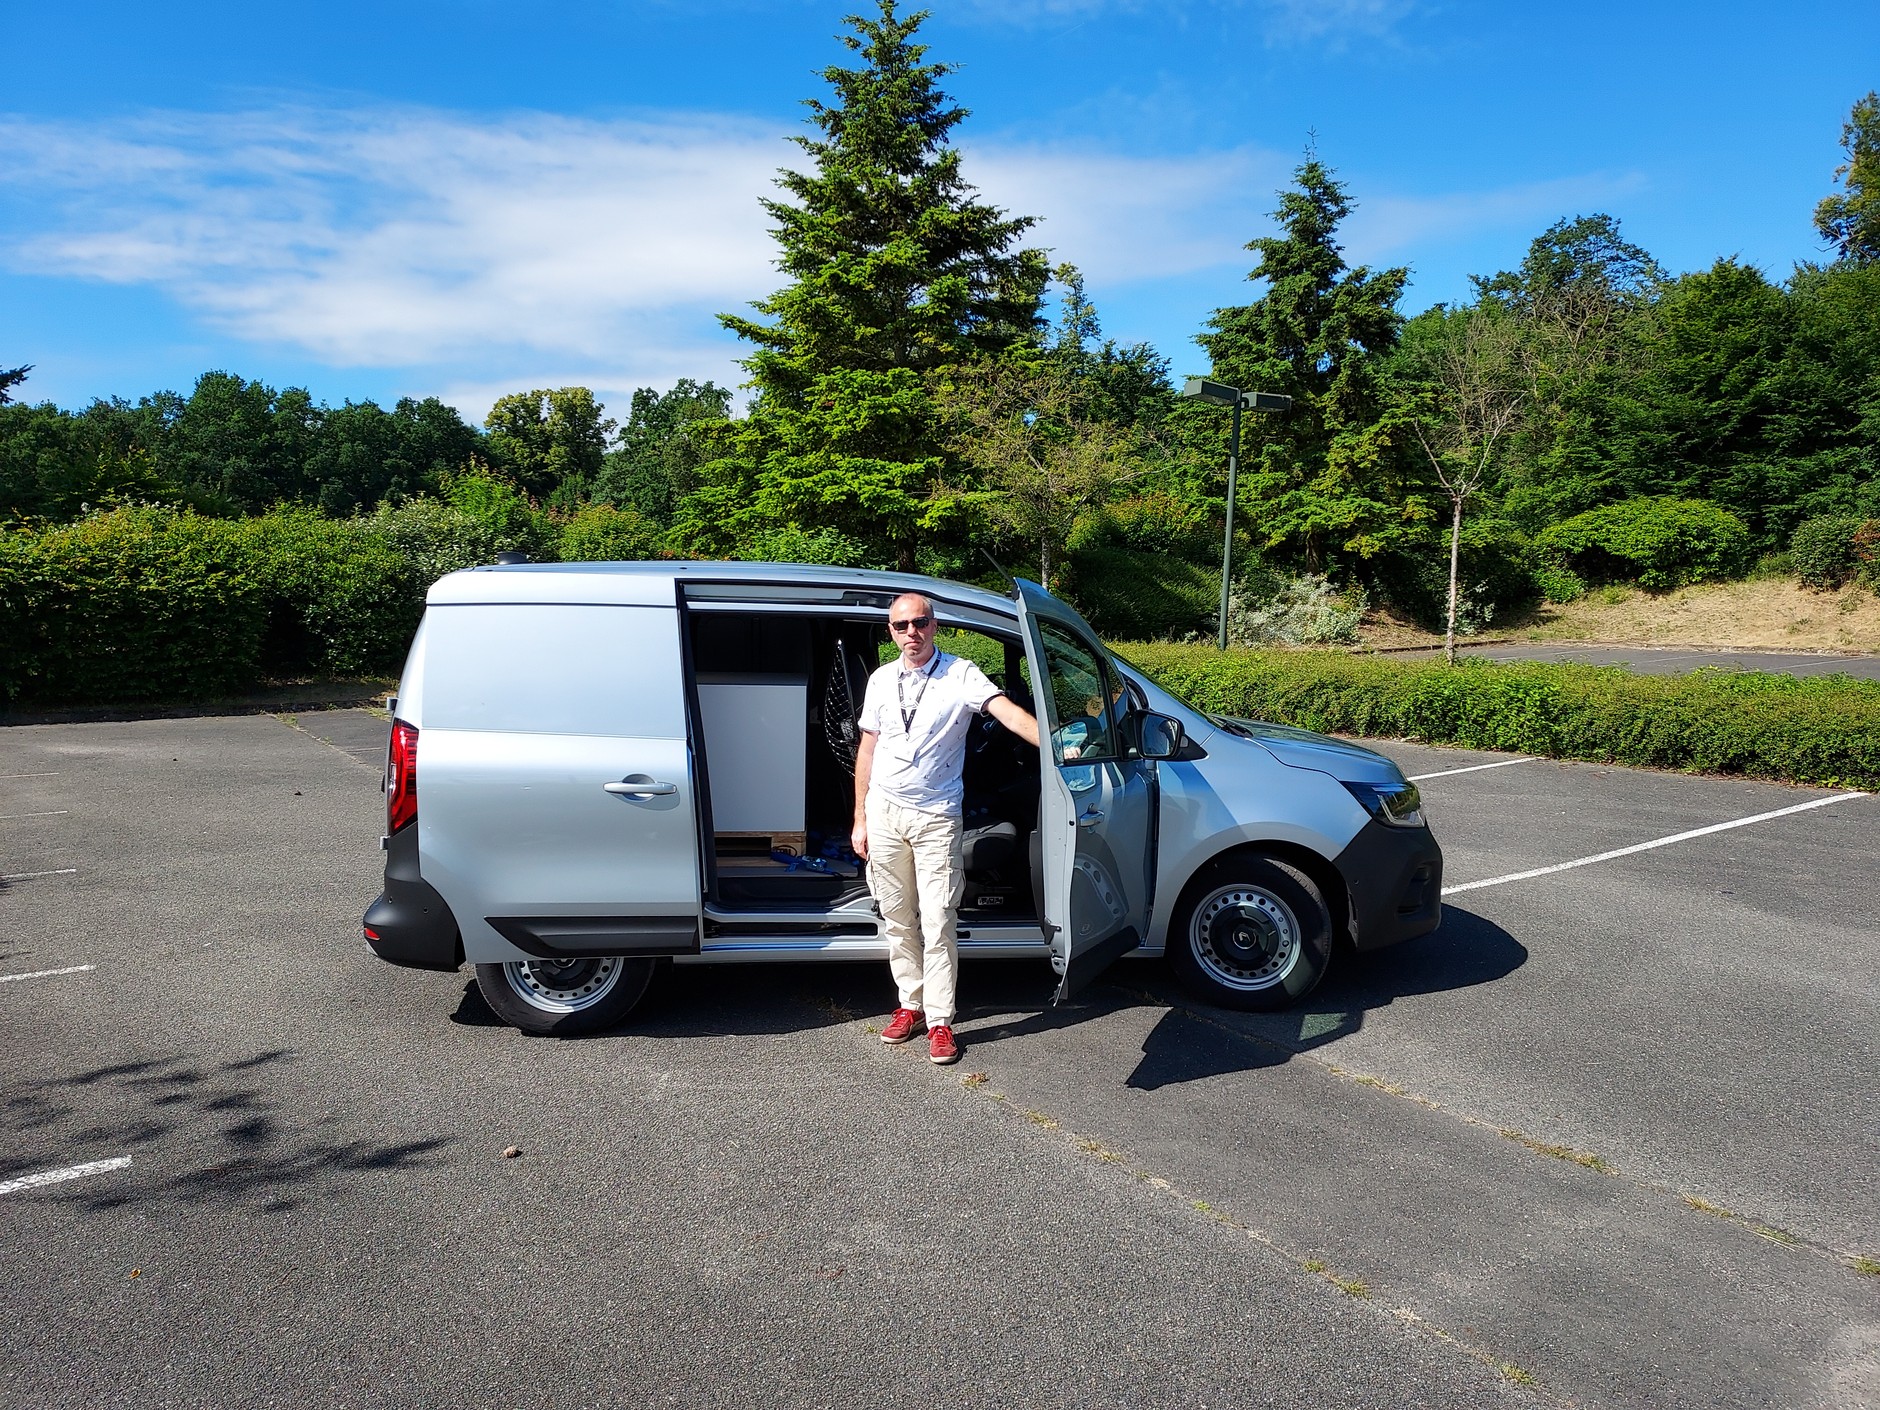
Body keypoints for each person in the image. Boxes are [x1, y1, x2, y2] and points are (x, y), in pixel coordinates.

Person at [851, 592, 1040, 1065]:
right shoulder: (880, 680)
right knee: (896, 917)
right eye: (901, 626)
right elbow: (868, 751)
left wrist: (1055, 748)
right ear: (891, 632)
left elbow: (1006, 712)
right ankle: (908, 1006)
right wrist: (860, 818)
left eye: (920, 623)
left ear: (935, 626)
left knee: (937, 920)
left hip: (936, 817)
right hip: (885, 812)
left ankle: (939, 1021)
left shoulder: (961, 673)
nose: (911, 633)